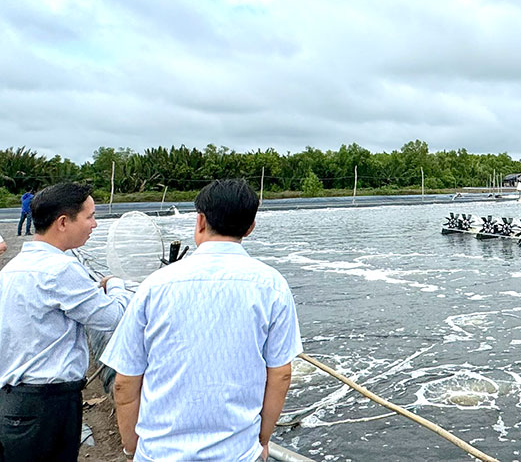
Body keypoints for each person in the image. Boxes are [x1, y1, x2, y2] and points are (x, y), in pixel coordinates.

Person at [102, 178, 302, 461]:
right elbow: (280, 374)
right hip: (237, 453)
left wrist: (132, 445)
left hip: (158, 453)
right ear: (250, 227)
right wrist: (262, 439)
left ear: (200, 221)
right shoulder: (272, 285)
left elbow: (125, 381)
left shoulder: (154, 285)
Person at [0, 182, 129, 462]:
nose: (94, 224)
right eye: (89, 216)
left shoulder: (15, 267)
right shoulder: (60, 269)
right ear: (62, 222)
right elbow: (112, 318)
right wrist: (116, 285)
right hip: (47, 403)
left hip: (16, 400)